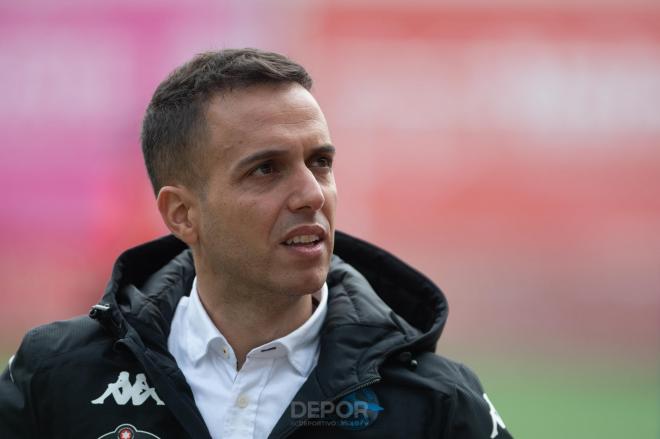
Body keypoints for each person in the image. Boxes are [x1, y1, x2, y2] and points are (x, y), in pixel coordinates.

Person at [0, 48, 512, 439]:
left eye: (321, 162)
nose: (312, 194)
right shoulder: (56, 374)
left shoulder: (437, 404)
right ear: (182, 214)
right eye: (266, 169)